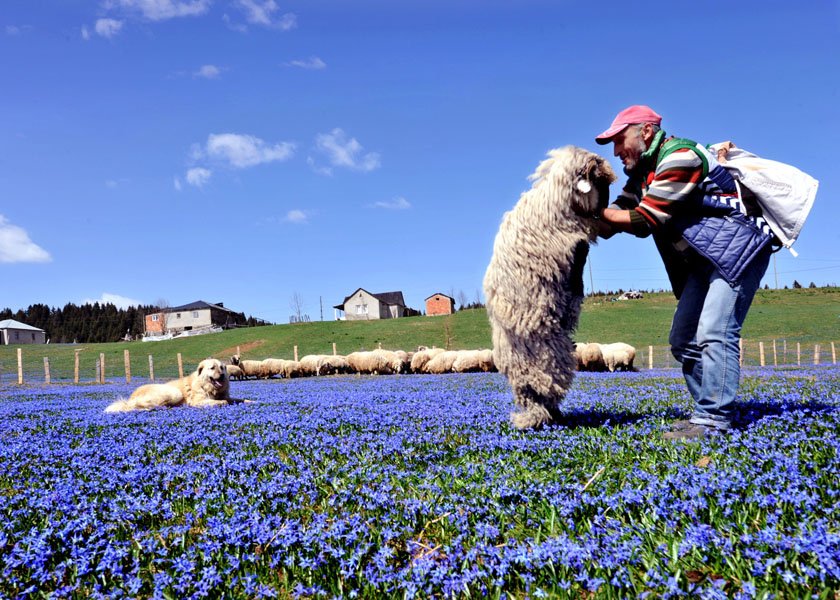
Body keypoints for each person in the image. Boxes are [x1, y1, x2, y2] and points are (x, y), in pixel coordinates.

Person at [592, 105, 775, 440]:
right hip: (705, 261)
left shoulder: (681, 157)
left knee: (714, 332)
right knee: (683, 340)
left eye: (620, 140)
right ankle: (712, 408)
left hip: (735, 253)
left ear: (645, 132)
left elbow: (645, 219)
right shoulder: (642, 176)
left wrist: (592, 212)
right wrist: (585, 207)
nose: (616, 151)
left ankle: (714, 419)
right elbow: (612, 219)